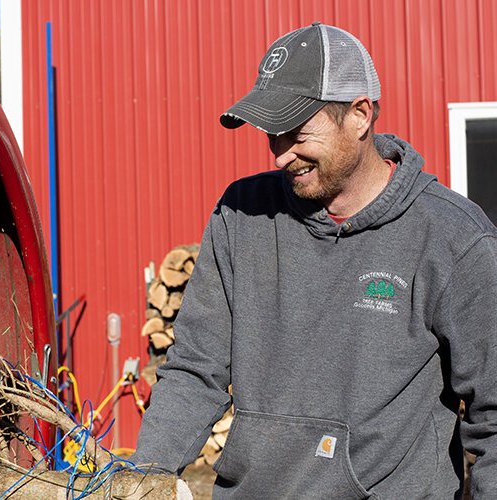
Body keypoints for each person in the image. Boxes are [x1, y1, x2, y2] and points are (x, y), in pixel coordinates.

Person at [131, 22, 497, 499]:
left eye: (297, 132)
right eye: (272, 134)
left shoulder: (453, 238)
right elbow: (195, 368)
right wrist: (144, 474)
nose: (281, 154)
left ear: (360, 115)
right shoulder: (242, 214)